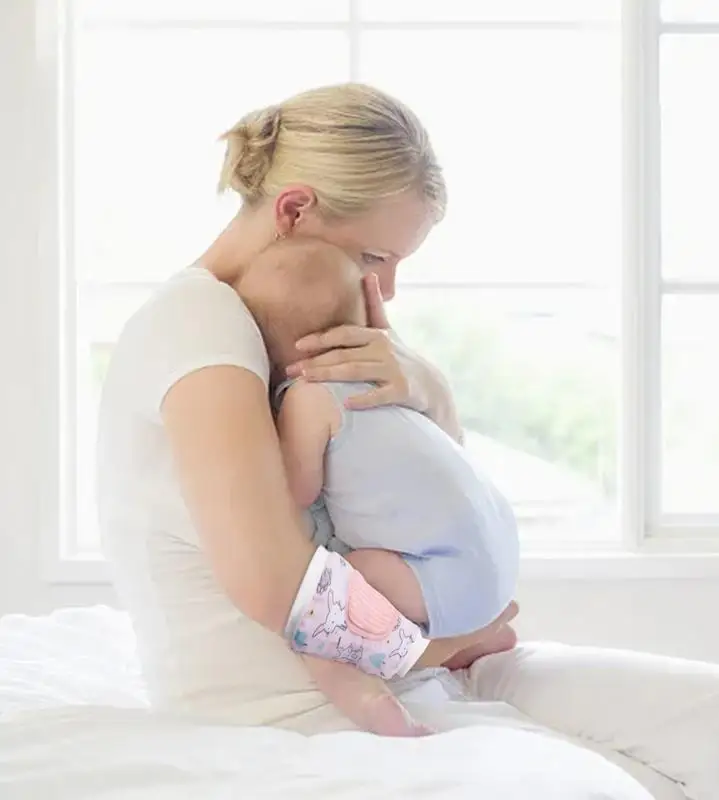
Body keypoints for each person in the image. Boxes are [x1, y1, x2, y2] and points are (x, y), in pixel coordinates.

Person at [97, 82, 515, 731]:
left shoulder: (292, 324)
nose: (389, 288)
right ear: (293, 210)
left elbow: (438, 490)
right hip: (286, 717)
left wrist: (425, 384)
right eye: (374, 258)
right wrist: (455, 642)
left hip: (388, 688)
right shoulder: (199, 323)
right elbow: (278, 587)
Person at [234, 235, 519, 734]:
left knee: (325, 594)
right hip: (494, 554)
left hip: (448, 576)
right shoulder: (389, 379)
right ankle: (472, 640)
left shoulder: (307, 397)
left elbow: (299, 493)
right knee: (369, 572)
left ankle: (366, 698)